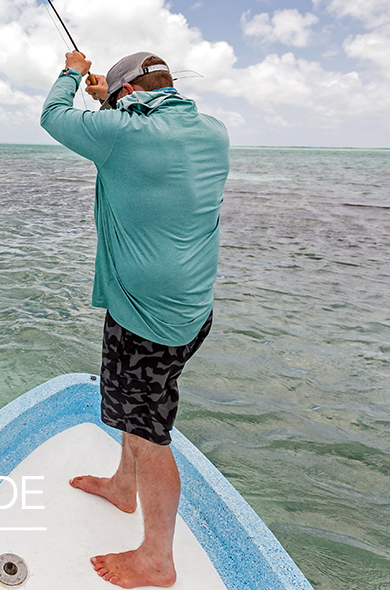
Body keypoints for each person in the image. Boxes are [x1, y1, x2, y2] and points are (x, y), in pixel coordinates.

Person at [40, 50, 230, 588]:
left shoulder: (121, 134)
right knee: (134, 408)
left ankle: (157, 559)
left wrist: (73, 72)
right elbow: (145, 129)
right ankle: (123, 489)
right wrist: (112, 100)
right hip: (192, 310)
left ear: (125, 97)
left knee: (149, 434)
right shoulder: (213, 132)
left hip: (146, 320)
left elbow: (53, 116)